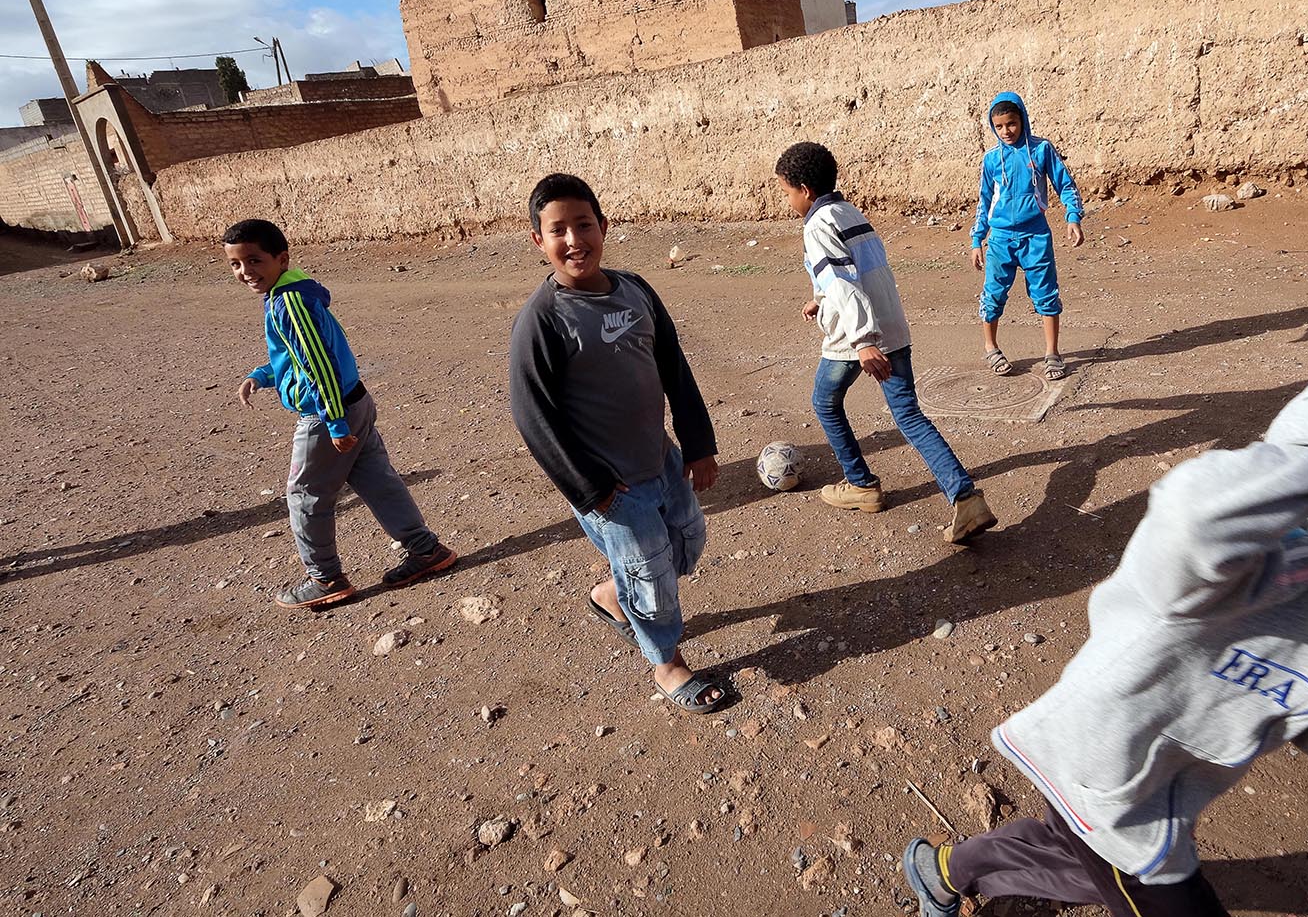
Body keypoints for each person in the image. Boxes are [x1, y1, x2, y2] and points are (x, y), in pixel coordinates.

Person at [901, 345, 1308, 916]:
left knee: (1070, 853)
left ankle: (947, 871)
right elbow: (1190, 512)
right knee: (1126, 870)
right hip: (1119, 799)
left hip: (1142, 792)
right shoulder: (1224, 571)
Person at [508, 173, 731, 714]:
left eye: (583, 225)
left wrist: (698, 443)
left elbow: (673, 368)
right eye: (557, 229)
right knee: (650, 577)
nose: (573, 240)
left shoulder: (635, 289)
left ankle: (610, 596)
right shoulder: (542, 320)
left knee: (686, 542)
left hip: (660, 458)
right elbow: (532, 415)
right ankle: (666, 663)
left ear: (604, 227)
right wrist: (590, 489)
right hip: (611, 484)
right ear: (539, 241)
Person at [225, 218, 456, 608]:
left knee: (304, 495)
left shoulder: (288, 303)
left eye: (254, 261)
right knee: (376, 480)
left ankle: (325, 578)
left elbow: (319, 366)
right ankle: (425, 550)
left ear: (281, 259)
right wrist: (262, 375)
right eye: (235, 264)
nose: (245, 272)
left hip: (328, 413)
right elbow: (297, 358)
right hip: (354, 401)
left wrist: (333, 423)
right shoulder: (293, 292)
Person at [776, 141, 997, 544]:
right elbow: (854, 274)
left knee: (825, 402)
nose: (787, 201)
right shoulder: (849, 211)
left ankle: (860, 484)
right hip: (891, 327)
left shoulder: (817, 224)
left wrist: (863, 341)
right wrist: (819, 298)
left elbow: (843, 282)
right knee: (909, 415)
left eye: (786, 192)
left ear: (805, 189)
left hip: (856, 336)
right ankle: (967, 499)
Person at [970, 91, 1084, 381]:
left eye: (1011, 124)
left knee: (1046, 293)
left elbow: (1066, 185)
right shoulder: (992, 160)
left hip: (1036, 235)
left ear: (1022, 120)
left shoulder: (1042, 150)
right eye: (1000, 127)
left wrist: (1073, 217)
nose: (1006, 131)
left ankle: (1052, 353)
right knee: (994, 295)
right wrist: (977, 240)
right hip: (1000, 240)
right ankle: (991, 347)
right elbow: (984, 202)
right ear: (993, 127)